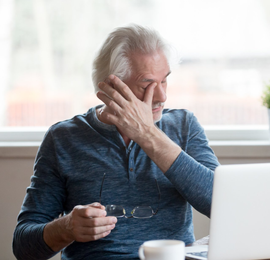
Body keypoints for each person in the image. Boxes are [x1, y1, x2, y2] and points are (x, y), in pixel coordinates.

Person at [13, 24, 219, 260]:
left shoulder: (184, 125)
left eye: (164, 81)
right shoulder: (63, 138)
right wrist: (66, 227)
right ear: (112, 88)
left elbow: (223, 205)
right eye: (147, 85)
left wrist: (146, 134)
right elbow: (23, 247)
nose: (162, 96)